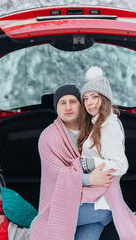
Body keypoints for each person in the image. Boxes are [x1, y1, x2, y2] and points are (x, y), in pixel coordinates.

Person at [30, 85, 115, 240]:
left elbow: (108, 162)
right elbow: (58, 175)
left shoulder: (95, 131)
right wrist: (89, 179)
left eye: (72, 101)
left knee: (106, 212)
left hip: (93, 197)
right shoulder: (49, 137)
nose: (68, 107)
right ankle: (47, 225)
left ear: (81, 105)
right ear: (56, 108)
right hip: (61, 203)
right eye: (63, 103)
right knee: (108, 211)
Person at [77, 66, 136, 240]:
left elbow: (121, 165)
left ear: (105, 99)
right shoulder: (95, 125)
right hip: (95, 201)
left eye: (94, 97)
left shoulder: (109, 126)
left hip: (101, 204)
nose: (89, 103)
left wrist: (89, 163)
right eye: (85, 99)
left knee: (51, 221)